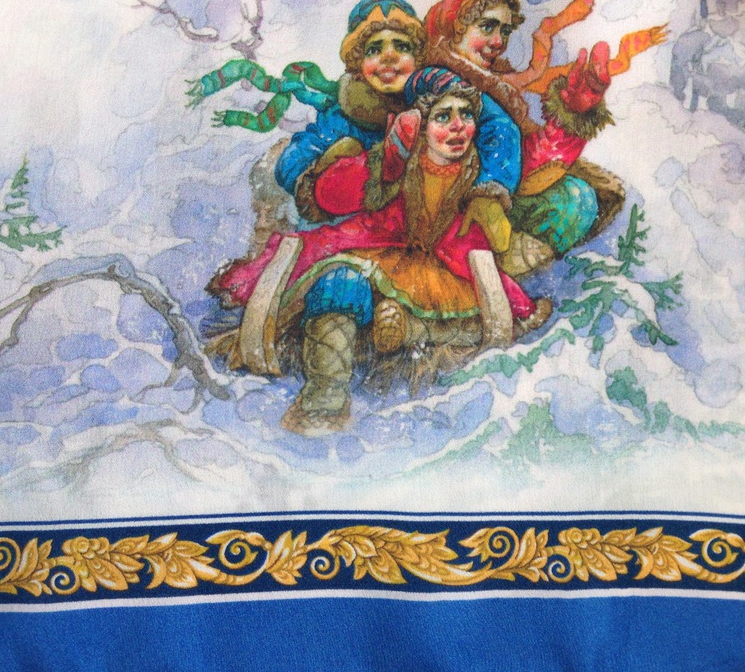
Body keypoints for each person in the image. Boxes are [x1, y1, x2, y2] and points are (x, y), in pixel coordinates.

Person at [210, 68, 550, 435]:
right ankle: (324, 399)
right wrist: (382, 163)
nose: (457, 126)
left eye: (466, 115)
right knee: (340, 285)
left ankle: (405, 329)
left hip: (442, 271)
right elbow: (333, 197)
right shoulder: (398, 163)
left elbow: (478, 244)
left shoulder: (476, 178)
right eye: (443, 117)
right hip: (380, 251)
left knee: (467, 319)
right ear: (421, 126)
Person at [423, 0, 667, 272]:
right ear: (454, 28)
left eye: (505, 31)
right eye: (487, 27)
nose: (498, 42)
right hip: (449, 204)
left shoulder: (499, 87)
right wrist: (488, 193)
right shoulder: (437, 80)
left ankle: (508, 270)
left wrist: (573, 114)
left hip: (497, 200)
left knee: (575, 197)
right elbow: (498, 134)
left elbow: (528, 160)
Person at [274, 0, 522, 226]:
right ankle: (375, 168)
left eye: (402, 47)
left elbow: (497, 124)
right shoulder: (346, 115)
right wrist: (317, 172)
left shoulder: (436, 88)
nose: (389, 56)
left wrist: (490, 188)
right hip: (363, 226)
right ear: (358, 62)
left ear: (418, 57)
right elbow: (291, 161)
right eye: (374, 49)